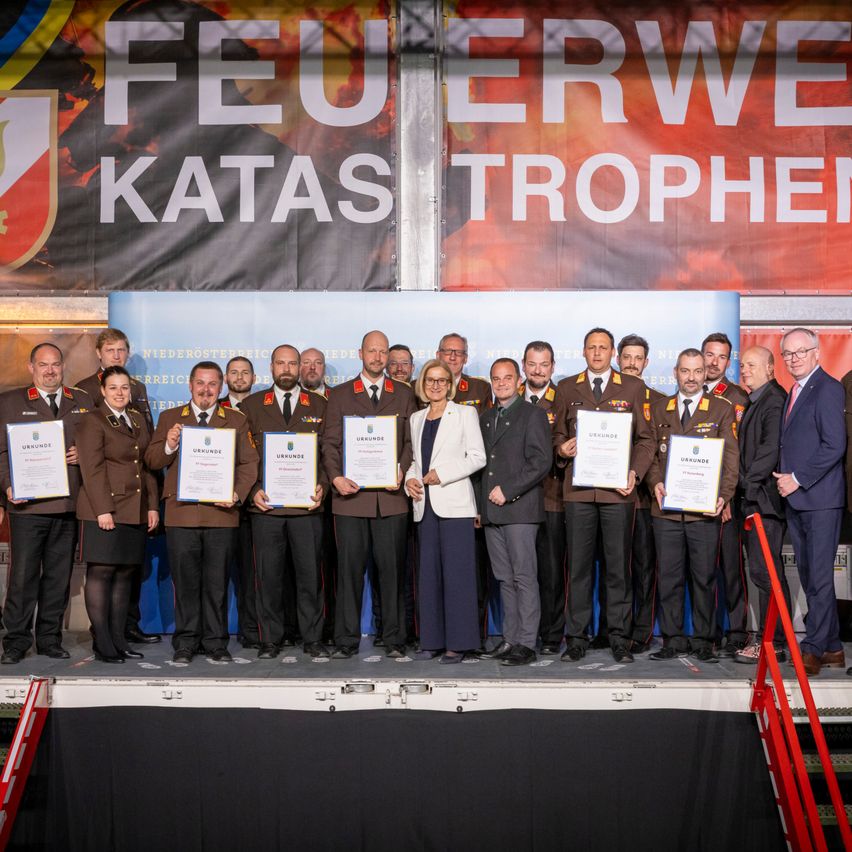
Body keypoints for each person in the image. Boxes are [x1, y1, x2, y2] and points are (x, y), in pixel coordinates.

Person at [145, 361, 258, 664]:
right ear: (190, 385)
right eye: (200, 383)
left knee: (217, 582)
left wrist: (236, 494)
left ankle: (215, 641)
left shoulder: (235, 419)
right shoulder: (171, 418)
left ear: (220, 387)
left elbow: (249, 463)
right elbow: (152, 460)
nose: (206, 390)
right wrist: (169, 445)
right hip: (181, 514)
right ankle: (186, 642)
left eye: (212, 384)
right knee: (185, 582)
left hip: (222, 515)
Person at [552, 328, 654, 664]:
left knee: (618, 570)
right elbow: (557, 436)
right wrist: (562, 450)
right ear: (583, 352)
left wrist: (634, 473)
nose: (597, 353)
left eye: (603, 348)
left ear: (613, 353)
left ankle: (619, 638)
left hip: (617, 494)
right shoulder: (566, 387)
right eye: (591, 347)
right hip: (578, 493)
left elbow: (646, 439)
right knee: (578, 569)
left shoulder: (634, 387)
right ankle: (577, 637)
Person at [322, 330, 416, 658]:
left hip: (391, 501)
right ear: (360, 353)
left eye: (383, 352)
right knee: (348, 576)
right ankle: (345, 642)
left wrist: (402, 468)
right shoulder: (340, 394)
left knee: (392, 575)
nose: (377, 358)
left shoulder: (403, 394)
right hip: (350, 500)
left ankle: (394, 640)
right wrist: (335, 477)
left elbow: (409, 442)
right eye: (371, 351)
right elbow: (330, 443)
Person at [0, 343, 91, 664]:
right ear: (31, 368)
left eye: (55, 365)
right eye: (43, 365)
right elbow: (1, 454)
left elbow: (96, 444)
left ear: (63, 366)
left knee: (58, 575)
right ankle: (15, 640)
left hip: (67, 504)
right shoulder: (10, 402)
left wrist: (84, 454)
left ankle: (50, 638)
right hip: (26, 506)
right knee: (22, 576)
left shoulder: (81, 401)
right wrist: (7, 485)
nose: (50, 371)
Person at [647, 349, 739, 663]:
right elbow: (651, 457)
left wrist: (724, 496)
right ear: (676, 372)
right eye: (685, 371)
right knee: (669, 577)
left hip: (704, 511)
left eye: (697, 371)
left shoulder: (722, 409)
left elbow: (731, 461)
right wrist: (654, 483)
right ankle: (672, 639)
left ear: (704, 373)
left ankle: (703, 640)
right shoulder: (659, 408)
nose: (691, 377)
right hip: (666, 512)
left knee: (704, 578)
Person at [243, 345, 329, 658]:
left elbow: (329, 453)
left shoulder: (319, 404)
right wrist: (252, 489)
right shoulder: (252, 405)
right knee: (268, 578)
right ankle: (270, 640)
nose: (287, 369)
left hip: (307, 508)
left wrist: (324, 485)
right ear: (271, 366)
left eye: (293, 363)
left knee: (310, 579)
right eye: (281, 363)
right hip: (266, 508)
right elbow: (244, 456)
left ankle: (313, 639)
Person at [75, 326, 158, 645]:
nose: (121, 392)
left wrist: (151, 504)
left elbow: (145, 461)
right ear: (103, 389)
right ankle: (104, 641)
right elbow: (92, 468)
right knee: (102, 572)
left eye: (125, 387)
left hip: (133, 506)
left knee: (125, 573)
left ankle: (119, 638)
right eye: (114, 388)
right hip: (106, 508)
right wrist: (103, 510)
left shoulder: (136, 418)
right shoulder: (92, 417)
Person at [773, 329, 846, 677]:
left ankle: (814, 647)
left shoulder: (829, 388)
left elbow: (835, 446)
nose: (794, 358)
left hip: (819, 500)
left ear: (817, 352)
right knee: (809, 575)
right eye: (787, 354)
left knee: (818, 577)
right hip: (798, 500)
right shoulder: (795, 391)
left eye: (801, 351)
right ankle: (831, 645)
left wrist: (797, 478)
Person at [405, 359, 485, 662]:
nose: (435, 385)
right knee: (429, 577)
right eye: (430, 380)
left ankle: (459, 643)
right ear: (422, 385)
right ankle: (432, 640)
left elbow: (477, 457)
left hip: (455, 505)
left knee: (458, 577)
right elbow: (417, 461)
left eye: (441, 380)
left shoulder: (465, 413)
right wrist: (410, 480)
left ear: (449, 385)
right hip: (424, 505)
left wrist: (443, 473)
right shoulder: (416, 418)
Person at [476, 358, 551, 667]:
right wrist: (480, 507)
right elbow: (482, 465)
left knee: (523, 577)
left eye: (508, 378)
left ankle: (527, 642)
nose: (502, 383)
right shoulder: (485, 417)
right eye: (496, 378)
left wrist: (509, 490)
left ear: (519, 380)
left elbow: (540, 461)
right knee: (504, 579)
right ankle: (510, 638)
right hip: (492, 513)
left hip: (519, 510)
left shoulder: (533, 415)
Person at [734, 347, 790, 664]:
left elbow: (769, 450)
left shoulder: (774, 400)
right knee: (763, 573)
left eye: (752, 365)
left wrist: (744, 484)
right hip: (755, 498)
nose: (745, 370)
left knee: (766, 574)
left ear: (770, 368)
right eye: (742, 366)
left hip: (763, 501)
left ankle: (775, 643)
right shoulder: (757, 400)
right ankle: (773, 640)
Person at [702, 332, 750, 655]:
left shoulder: (735, 397)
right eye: (709, 355)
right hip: (694, 496)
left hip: (725, 498)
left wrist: (727, 496)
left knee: (731, 568)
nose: (713, 361)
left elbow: (737, 454)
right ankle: (709, 632)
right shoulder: (686, 392)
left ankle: (737, 631)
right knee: (703, 569)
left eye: (721, 356)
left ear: (728, 361)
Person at [617, 333, 666, 653]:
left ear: (646, 363)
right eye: (627, 358)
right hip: (608, 498)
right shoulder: (604, 396)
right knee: (613, 569)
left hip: (645, 500)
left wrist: (645, 479)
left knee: (644, 569)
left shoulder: (661, 401)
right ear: (618, 360)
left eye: (638, 358)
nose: (632, 363)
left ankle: (641, 632)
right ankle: (612, 630)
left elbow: (660, 453)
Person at [521, 341, 565, 654]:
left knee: (551, 571)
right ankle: (522, 634)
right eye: (533, 364)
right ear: (524, 365)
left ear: (552, 367)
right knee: (520, 572)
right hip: (517, 502)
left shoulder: (562, 398)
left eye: (544, 364)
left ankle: (550, 636)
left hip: (552, 497)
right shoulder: (507, 397)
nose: (538, 370)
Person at [219, 356, 259, 648]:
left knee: (250, 574)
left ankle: (250, 630)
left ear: (254, 377)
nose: (240, 377)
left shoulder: (260, 408)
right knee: (217, 575)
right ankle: (215, 633)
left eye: (245, 372)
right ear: (225, 377)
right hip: (216, 507)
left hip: (250, 506)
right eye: (234, 372)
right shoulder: (213, 408)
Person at [436, 333, 491, 413]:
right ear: (438, 355)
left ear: (465, 358)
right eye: (448, 351)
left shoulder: (480, 388)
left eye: (459, 352)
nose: (452, 357)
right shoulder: (418, 387)